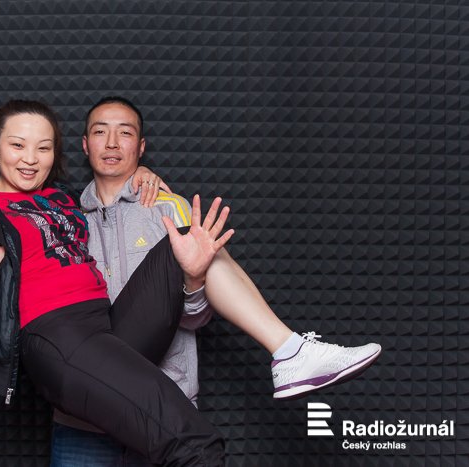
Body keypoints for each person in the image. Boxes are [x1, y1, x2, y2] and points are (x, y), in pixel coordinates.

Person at [46, 96, 383, 465]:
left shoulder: (169, 208)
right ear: (85, 144)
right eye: (100, 132)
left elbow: (193, 318)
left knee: (192, 241)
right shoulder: (65, 221)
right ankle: (291, 351)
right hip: (85, 412)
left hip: (162, 402)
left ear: (141, 147)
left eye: (124, 133)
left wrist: (193, 277)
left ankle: (290, 351)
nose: (112, 143)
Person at [0, 99, 232, 465]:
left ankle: (282, 346)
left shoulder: (63, 198)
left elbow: (113, 185)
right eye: (17, 145)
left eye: (43, 148)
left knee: (184, 240)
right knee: (195, 445)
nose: (30, 159)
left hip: (105, 327)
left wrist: (141, 171)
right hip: (57, 336)